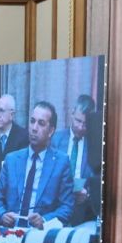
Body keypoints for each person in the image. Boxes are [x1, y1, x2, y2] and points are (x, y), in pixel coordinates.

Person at [0, 101, 75, 228]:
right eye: (32, 121)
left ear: (51, 131)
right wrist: (2, 215)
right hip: (11, 232)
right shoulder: (12, 160)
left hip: (40, 235)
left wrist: (44, 221)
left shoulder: (61, 163)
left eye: (41, 123)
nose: (34, 128)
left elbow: (67, 207)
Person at [50, 94, 102, 224]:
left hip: (82, 209)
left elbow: (98, 180)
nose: (80, 127)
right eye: (78, 121)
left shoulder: (95, 145)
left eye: (85, 124)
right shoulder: (56, 140)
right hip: (55, 204)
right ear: (72, 114)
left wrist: (87, 194)